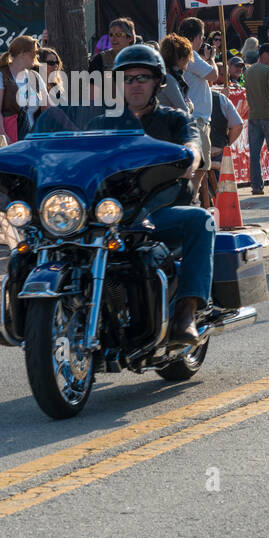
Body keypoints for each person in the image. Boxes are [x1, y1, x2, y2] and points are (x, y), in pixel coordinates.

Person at [109, 44, 214, 347]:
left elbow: (192, 147)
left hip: (159, 212)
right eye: (127, 79)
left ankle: (186, 313)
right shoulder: (104, 124)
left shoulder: (175, 120)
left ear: (157, 82)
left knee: (200, 220)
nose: (135, 84)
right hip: (111, 214)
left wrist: (189, 157)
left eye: (142, 77)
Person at [0, 35, 51, 142]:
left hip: (28, 136)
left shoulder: (35, 76)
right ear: (22, 53)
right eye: (34, 52)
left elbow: (50, 108)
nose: (37, 56)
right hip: (5, 134)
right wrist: (3, 136)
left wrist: (70, 126)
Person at [244, 42, 269, 194]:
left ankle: (256, 187)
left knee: (254, 155)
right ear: (264, 54)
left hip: (253, 116)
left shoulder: (248, 70)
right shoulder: (268, 70)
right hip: (268, 115)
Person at [176, 18, 220, 151]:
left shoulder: (178, 53)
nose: (202, 41)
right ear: (197, 37)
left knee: (194, 167)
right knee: (200, 167)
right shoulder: (190, 54)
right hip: (196, 118)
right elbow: (214, 75)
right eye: (202, 37)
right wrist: (212, 59)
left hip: (187, 117)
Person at [157, 35, 194, 115]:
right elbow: (184, 110)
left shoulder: (165, 75)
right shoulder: (169, 79)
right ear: (181, 59)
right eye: (187, 59)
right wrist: (190, 106)